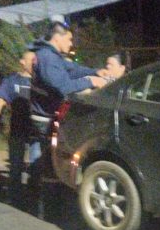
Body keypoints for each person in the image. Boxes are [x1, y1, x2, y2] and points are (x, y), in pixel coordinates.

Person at [29, 21, 108, 218]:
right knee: (51, 162)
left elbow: (71, 69)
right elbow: (63, 86)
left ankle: (50, 206)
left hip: (49, 115)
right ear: (58, 37)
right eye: (70, 38)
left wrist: (94, 71)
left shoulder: (52, 56)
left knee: (52, 160)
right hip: (45, 118)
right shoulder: (47, 57)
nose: (71, 43)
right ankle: (49, 210)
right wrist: (92, 81)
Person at [0, 51, 36, 207]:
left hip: (37, 132)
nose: (35, 63)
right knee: (16, 165)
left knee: (36, 164)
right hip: (18, 129)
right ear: (22, 62)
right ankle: (15, 197)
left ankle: (32, 196)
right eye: (32, 60)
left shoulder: (41, 82)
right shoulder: (12, 81)